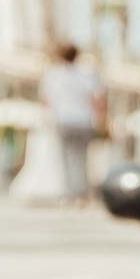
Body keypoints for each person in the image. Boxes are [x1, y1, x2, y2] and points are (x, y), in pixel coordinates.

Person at [38, 42, 107, 203]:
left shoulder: (52, 75)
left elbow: (46, 101)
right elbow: (96, 100)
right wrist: (103, 121)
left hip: (63, 120)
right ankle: (82, 193)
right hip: (84, 121)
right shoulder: (87, 74)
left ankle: (70, 194)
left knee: (66, 158)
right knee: (82, 158)